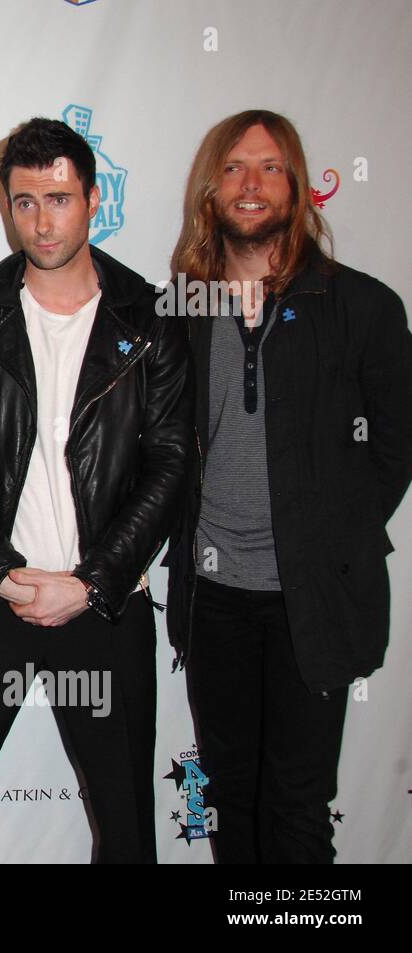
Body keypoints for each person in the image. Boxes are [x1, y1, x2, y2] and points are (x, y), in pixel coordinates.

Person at [0, 118, 194, 863]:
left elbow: (169, 465)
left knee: (128, 833)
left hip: (104, 604)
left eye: (59, 198)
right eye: (25, 201)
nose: (41, 219)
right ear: (7, 204)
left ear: (94, 199)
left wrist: (94, 582)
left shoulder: (151, 318)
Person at [166, 109, 412, 863]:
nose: (251, 184)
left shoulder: (362, 306)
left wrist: (329, 538)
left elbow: (395, 445)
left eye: (270, 167)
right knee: (233, 802)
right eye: (235, 168)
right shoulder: (181, 309)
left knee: (299, 809)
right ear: (212, 190)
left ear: (298, 188)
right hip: (214, 601)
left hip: (314, 602)